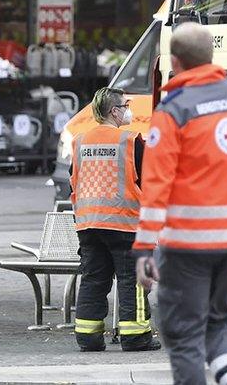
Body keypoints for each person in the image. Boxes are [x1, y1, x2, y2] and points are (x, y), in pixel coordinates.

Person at [133, 22, 227, 385]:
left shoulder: (174, 111)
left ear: (175, 61)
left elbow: (157, 187)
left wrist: (143, 248)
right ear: (210, 57)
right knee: (216, 323)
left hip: (187, 244)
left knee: (183, 334)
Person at [70, 87, 161, 353]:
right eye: (126, 104)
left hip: (88, 224)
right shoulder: (131, 141)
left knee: (93, 279)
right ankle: (135, 337)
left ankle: (88, 337)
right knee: (132, 280)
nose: (129, 109)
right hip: (124, 224)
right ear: (114, 110)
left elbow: (73, 182)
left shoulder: (79, 141)